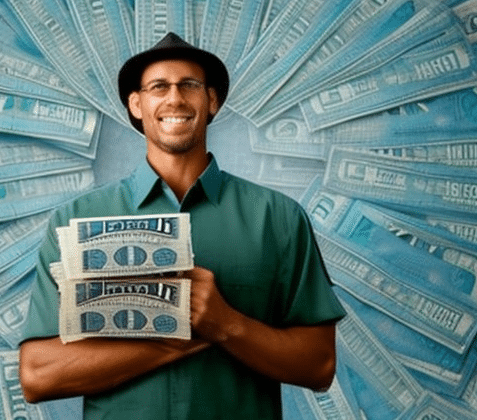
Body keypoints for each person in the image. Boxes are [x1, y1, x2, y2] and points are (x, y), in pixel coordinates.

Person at [19, 32, 346, 420]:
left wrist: (226, 323)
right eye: (159, 87)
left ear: (211, 101)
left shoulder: (279, 219)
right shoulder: (74, 221)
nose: (174, 98)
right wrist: (176, 336)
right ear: (136, 105)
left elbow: (319, 366)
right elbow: (37, 376)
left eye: (189, 85)